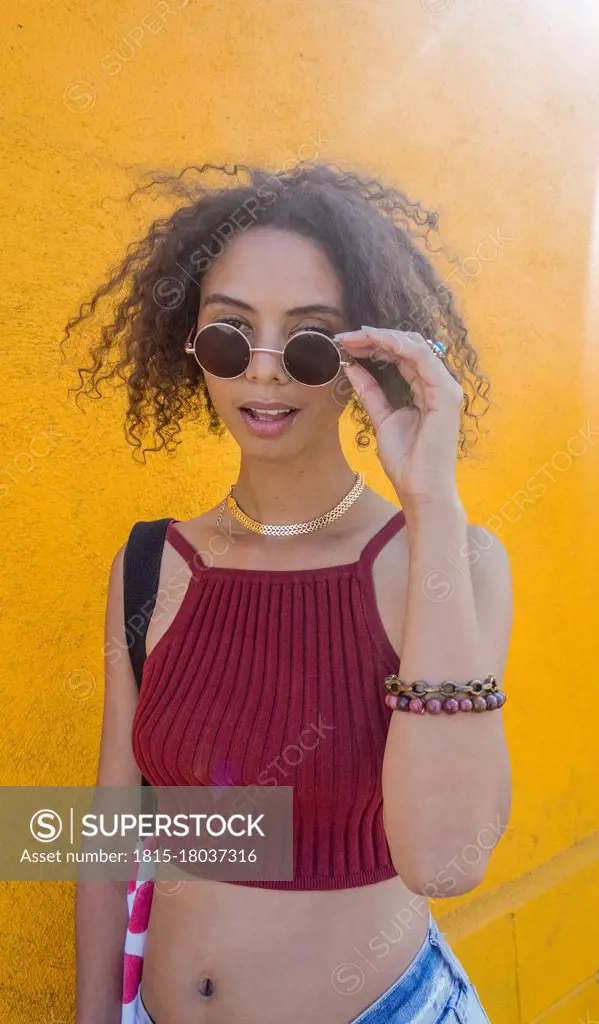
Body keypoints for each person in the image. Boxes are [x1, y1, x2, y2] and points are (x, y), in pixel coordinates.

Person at [67, 161, 513, 1024]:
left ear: (364, 360)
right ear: (190, 348)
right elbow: (110, 837)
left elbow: (447, 863)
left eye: (310, 342)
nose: (264, 372)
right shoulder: (150, 563)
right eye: (231, 335)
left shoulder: (446, 558)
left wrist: (429, 500)